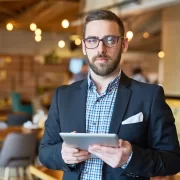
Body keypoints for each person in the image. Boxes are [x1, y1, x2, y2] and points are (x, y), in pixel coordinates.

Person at [39, 9, 180, 180]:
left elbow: (173, 160)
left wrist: (131, 158)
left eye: (110, 40)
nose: (101, 48)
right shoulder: (63, 95)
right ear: (84, 46)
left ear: (124, 44)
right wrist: (62, 154)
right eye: (92, 40)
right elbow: (45, 152)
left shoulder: (150, 96)